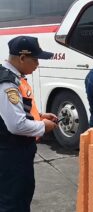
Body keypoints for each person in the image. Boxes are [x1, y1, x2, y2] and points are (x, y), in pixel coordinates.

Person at [0, 36, 58, 211]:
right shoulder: (7, 84)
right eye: (35, 59)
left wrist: (40, 116)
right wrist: (43, 127)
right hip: (12, 153)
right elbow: (16, 125)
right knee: (13, 201)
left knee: (21, 194)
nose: (37, 64)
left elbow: (15, 112)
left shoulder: (16, 78)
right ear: (22, 58)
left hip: (18, 151)